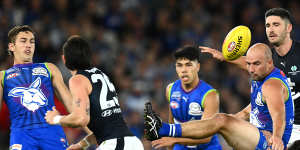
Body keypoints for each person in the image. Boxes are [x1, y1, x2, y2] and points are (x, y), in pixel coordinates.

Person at [145, 43, 294, 150]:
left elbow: (279, 116)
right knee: (220, 120)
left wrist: (277, 139)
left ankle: (163, 129)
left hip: (268, 143)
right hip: (256, 135)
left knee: (221, 120)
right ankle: (164, 129)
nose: (251, 69)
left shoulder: (271, 85)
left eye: (255, 64)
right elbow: (247, 112)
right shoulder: (260, 74)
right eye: (249, 64)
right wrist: (225, 57)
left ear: (269, 62)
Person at [200, 8, 300, 145]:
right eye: (268, 25)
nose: (271, 29)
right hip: (268, 129)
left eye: (276, 25)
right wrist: (225, 57)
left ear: (289, 28)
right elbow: (247, 62)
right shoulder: (267, 58)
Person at [44, 35, 144, 150]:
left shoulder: (77, 79)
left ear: (64, 59)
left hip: (115, 144)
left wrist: (56, 119)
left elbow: (81, 119)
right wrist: (81, 145)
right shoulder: (101, 74)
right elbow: (105, 125)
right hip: (129, 143)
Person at [0, 25, 73, 150]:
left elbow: (71, 104)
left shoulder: (49, 68)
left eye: (31, 41)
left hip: (51, 132)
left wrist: (92, 130)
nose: (28, 45)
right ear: (12, 46)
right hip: (21, 134)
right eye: (23, 41)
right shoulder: (3, 76)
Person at [149, 46, 222, 150]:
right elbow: (172, 122)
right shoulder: (170, 89)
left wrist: (174, 140)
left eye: (188, 65)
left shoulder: (210, 95)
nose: (183, 70)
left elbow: (207, 137)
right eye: (179, 65)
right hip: (181, 146)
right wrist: (170, 146)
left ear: (198, 67)